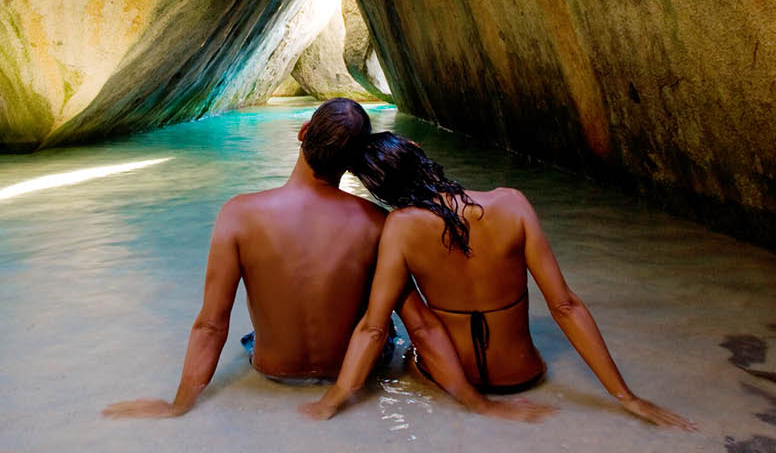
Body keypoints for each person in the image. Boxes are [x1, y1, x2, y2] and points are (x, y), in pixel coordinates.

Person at [103, 99, 552, 421]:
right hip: (355, 371)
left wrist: (178, 406)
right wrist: (480, 404)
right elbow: (422, 325)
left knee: (251, 332)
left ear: (302, 134)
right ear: (354, 162)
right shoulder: (377, 222)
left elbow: (210, 325)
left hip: (272, 371)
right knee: (386, 324)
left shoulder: (238, 215)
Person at [299, 131, 696, 430]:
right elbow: (565, 306)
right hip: (523, 375)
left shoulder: (399, 228)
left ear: (381, 190)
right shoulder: (512, 203)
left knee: (394, 311)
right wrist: (626, 397)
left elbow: (373, 326)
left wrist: (334, 398)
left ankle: (469, 401)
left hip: (447, 379)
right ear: (420, 155)